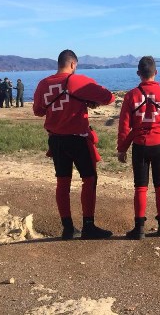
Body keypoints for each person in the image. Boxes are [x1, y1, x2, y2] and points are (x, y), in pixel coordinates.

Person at [33, 49, 115, 240]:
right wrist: (88, 100)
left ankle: (68, 227)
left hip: (56, 140)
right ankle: (88, 226)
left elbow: (38, 111)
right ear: (73, 64)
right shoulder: (77, 80)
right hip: (78, 139)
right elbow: (109, 97)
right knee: (89, 179)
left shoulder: (43, 84)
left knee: (63, 182)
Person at [117, 56, 160, 239]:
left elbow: (124, 126)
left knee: (140, 186)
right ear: (156, 72)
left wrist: (122, 148)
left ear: (138, 74)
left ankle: (139, 228)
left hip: (140, 146)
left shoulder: (131, 96)